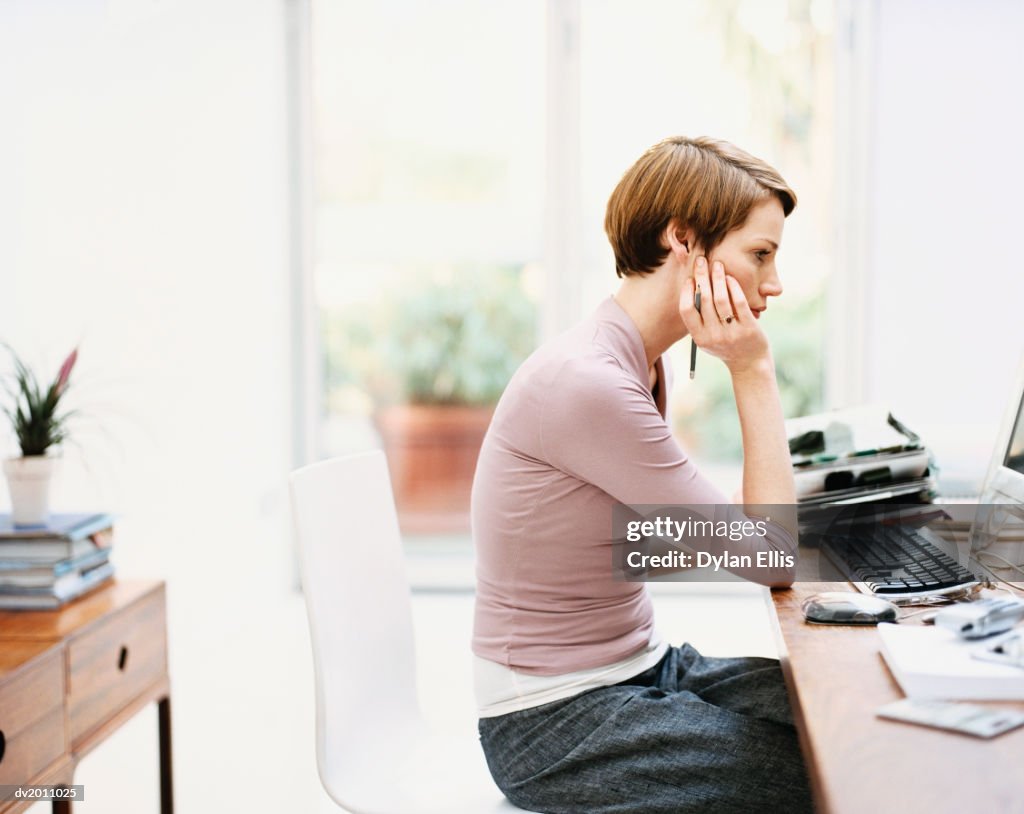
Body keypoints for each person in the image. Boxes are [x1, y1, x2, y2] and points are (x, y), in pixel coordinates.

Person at [471, 136, 814, 813]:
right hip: (551, 722)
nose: (772, 284)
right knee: (827, 769)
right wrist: (753, 369)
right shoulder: (588, 383)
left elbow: (739, 540)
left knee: (842, 711)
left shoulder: (634, 360)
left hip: (641, 668)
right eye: (760, 255)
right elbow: (771, 558)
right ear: (682, 238)